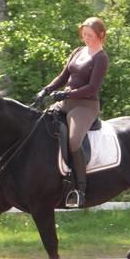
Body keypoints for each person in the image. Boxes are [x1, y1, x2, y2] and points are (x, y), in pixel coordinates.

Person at [35, 17, 109, 207]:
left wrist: (67, 94)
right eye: (84, 34)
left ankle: (80, 190)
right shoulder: (78, 51)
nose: (86, 38)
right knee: (40, 125)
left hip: (85, 106)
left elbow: (92, 88)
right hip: (65, 101)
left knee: (74, 141)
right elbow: (63, 76)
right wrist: (47, 90)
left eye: (90, 35)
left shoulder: (101, 58)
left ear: (101, 35)